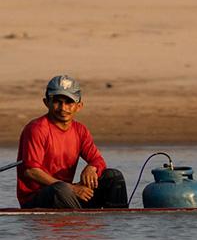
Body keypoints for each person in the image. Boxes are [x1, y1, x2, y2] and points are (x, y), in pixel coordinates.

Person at [16, 75, 128, 209]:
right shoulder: (36, 129)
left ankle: (117, 224)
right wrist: (73, 189)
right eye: (57, 101)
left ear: (79, 106)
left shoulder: (80, 130)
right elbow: (31, 171)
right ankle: (81, 220)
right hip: (37, 197)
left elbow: (98, 160)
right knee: (61, 189)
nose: (63, 108)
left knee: (113, 176)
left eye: (69, 102)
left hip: (67, 193)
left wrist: (92, 168)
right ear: (47, 102)